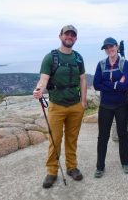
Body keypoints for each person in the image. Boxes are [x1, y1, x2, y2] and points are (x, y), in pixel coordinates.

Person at [33, 25, 87, 189]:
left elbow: (83, 79)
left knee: (72, 139)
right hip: (56, 106)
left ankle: (72, 167)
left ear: (75, 38)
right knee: (55, 140)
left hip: (75, 106)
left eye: (72, 35)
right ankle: (52, 171)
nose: (69, 37)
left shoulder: (78, 58)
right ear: (60, 36)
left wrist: (83, 102)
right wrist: (39, 90)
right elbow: (43, 79)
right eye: (67, 34)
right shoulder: (51, 57)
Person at [93, 37, 128, 178]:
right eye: (106, 48)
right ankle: (100, 166)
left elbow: (125, 85)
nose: (109, 50)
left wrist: (108, 84)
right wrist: (116, 84)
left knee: (123, 134)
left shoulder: (125, 63)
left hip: (122, 105)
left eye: (111, 47)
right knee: (102, 136)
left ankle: (125, 163)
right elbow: (96, 84)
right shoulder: (101, 64)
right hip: (105, 105)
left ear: (116, 47)